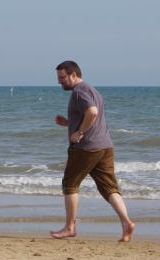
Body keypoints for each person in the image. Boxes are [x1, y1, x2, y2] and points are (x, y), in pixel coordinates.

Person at [51, 60, 135, 242]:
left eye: (62, 77)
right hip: (105, 146)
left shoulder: (79, 92)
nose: (59, 81)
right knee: (109, 188)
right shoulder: (91, 89)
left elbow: (93, 112)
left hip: (86, 148)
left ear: (74, 75)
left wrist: (79, 132)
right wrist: (68, 123)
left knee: (70, 184)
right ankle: (126, 223)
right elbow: (90, 116)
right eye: (58, 78)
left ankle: (70, 227)